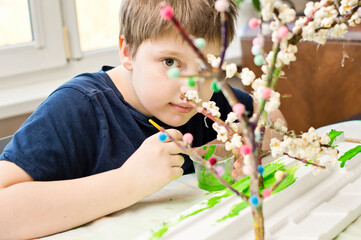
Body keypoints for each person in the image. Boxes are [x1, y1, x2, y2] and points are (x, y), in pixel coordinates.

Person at [0, 0, 275, 238]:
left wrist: (247, 142)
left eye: (206, 67)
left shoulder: (211, 100)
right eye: (170, 62)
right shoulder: (77, 109)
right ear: (127, 51)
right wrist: (128, 182)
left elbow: (272, 119)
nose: (191, 88)